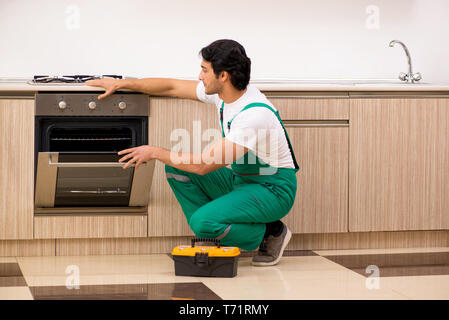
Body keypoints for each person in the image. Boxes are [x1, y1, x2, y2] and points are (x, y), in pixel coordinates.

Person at [86, 39, 299, 266]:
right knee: (176, 168)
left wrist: (155, 151)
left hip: (273, 188)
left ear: (223, 76)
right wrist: (123, 84)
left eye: (204, 70)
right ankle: (214, 228)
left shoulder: (253, 115)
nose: (199, 76)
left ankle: (270, 232)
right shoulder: (225, 95)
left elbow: (203, 166)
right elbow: (171, 86)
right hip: (243, 181)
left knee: (202, 221)